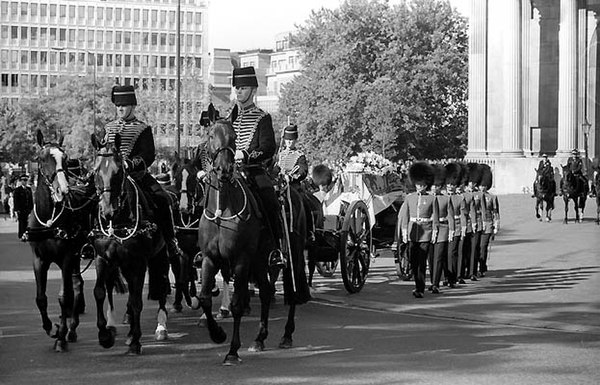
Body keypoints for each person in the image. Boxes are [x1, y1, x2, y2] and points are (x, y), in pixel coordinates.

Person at [99, 85, 183, 262]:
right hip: (111, 177)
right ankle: (90, 237)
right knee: (90, 197)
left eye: (124, 105)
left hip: (135, 175)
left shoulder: (142, 129)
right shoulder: (108, 128)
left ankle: (170, 241)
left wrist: (130, 164)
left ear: (133, 106)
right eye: (118, 106)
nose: (120, 109)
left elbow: (148, 154)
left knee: (161, 199)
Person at [230, 66, 284, 268]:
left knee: (269, 201)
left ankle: (276, 248)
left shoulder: (263, 117)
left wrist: (246, 154)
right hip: (230, 172)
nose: (239, 92)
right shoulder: (230, 118)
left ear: (253, 90)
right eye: (237, 88)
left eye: (243, 88)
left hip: (253, 170)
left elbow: (268, 147)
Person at [398, 161, 439, 298]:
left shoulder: (432, 199)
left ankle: (419, 288)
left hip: (426, 233)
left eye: (421, 185)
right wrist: (404, 231)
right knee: (414, 262)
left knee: (422, 262)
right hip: (412, 232)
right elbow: (405, 215)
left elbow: (435, 216)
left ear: (426, 185)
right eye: (417, 184)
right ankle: (417, 284)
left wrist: (434, 231)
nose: (419, 187)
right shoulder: (410, 198)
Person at [429, 164, 455, 294]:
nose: (435, 188)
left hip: (442, 228)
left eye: (437, 186)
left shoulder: (445, 199)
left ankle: (435, 283)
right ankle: (433, 280)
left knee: (439, 257)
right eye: (433, 185)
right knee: (431, 258)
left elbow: (450, 215)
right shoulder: (426, 199)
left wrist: (451, 231)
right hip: (428, 230)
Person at [445, 162, 467, 288]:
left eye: (452, 184)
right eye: (448, 184)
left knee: (452, 253)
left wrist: (463, 228)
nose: (450, 186)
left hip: (457, 226)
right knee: (444, 254)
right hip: (444, 228)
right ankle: (447, 275)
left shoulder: (459, 198)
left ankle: (452, 277)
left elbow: (463, 214)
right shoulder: (441, 197)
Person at [477, 164, 500, 277]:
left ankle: (482, 267)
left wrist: (496, 226)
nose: (482, 188)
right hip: (477, 224)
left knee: (483, 247)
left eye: (485, 185)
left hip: (488, 224)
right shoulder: (475, 196)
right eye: (481, 185)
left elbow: (495, 212)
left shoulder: (492, 197)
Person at [13, 175, 33, 239]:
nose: (24, 182)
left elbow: (30, 199)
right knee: (21, 222)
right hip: (21, 210)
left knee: (28, 222)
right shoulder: (17, 190)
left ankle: (26, 234)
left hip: (28, 209)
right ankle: (21, 234)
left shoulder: (29, 189)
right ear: (21, 181)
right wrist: (16, 210)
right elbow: (15, 200)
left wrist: (31, 208)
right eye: (23, 180)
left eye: (25, 180)